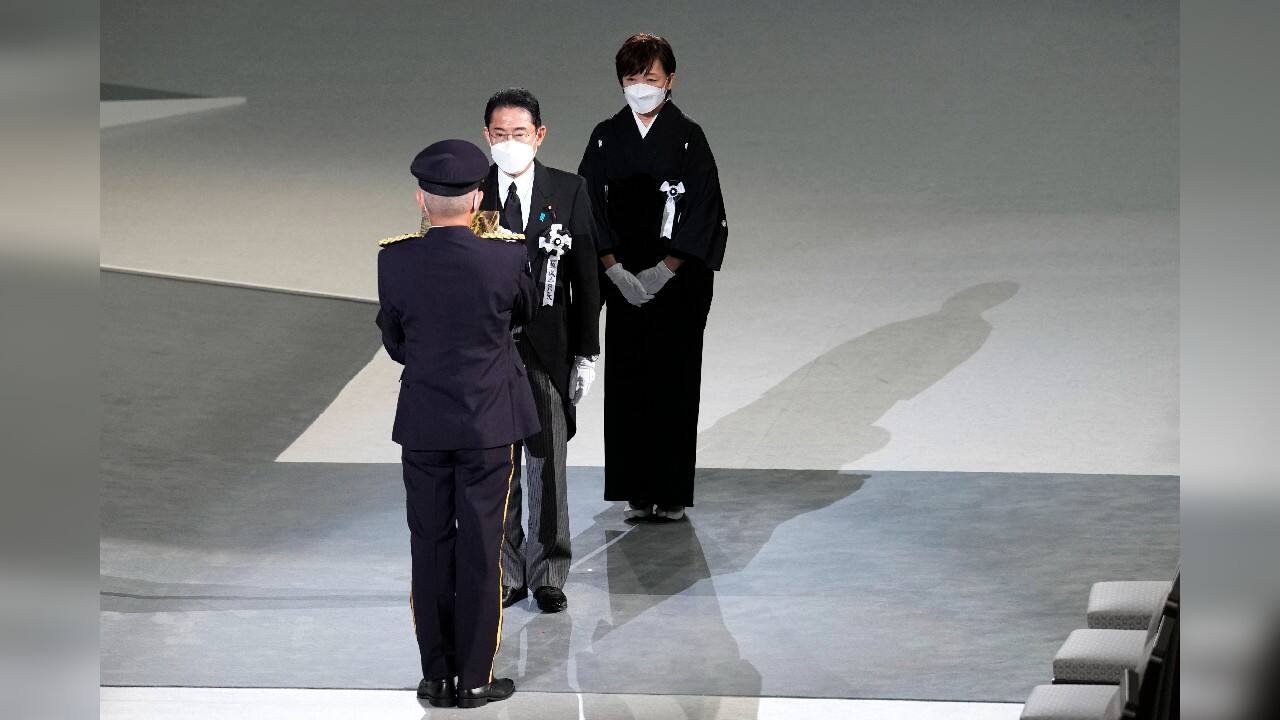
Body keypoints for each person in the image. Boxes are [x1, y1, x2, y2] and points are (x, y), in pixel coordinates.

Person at [375, 139, 537, 709]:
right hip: (488, 425)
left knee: (430, 545)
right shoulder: (507, 256)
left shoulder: (393, 259)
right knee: (481, 548)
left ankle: (435, 676)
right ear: (477, 198)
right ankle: (474, 678)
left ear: (422, 198)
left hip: (423, 423)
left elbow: (394, 340)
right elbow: (524, 318)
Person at [577, 33, 728, 522]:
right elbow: (587, 206)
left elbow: (705, 207)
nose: (641, 87)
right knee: (627, 381)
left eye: (651, 78)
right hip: (621, 279)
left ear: (670, 81)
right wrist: (612, 268)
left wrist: (667, 270)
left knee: (676, 379)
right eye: (632, 78)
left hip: (674, 281)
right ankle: (635, 490)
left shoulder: (689, 136)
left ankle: (671, 491)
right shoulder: (605, 136)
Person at [479, 88, 602, 614]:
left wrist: (587, 354)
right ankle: (507, 572)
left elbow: (587, 279)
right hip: (488, 353)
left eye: (519, 134)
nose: (510, 143)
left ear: (540, 136)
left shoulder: (568, 190)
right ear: (487, 136)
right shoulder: (470, 193)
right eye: (500, 134)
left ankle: (549, 569)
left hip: (548, 349)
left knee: (548, 460)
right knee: (499, 463)